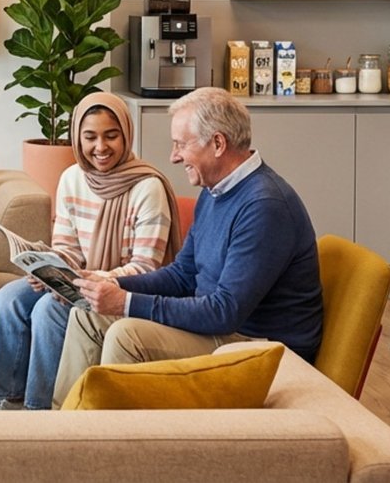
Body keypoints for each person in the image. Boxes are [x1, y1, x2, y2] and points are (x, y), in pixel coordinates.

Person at [50, 87, 324, 405]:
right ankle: (66, 430)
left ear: (218, 143)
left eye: (180, 144)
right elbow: (182, 275)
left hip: (261, 348)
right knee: (87, 315)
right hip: (225, 329)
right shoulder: (216, 189)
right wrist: (110, 283)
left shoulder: (264, 205)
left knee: (126, 335)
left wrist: (125, 302)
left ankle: (114, 443)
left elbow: (224, 312)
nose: (174, 156)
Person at [0, 92, 182, 411]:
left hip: (121, 288)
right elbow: (67, 247)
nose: (100, 147)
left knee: (47, 310)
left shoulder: (148, 187)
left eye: (111, 136)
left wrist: (91, 279)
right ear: (77, 137)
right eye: (90, 137)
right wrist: (48, 270)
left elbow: (147, 267)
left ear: (126, 135)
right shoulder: (72, 178)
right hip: (79, 279)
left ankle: (41, 409)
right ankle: (13, 398)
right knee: (7, 298)